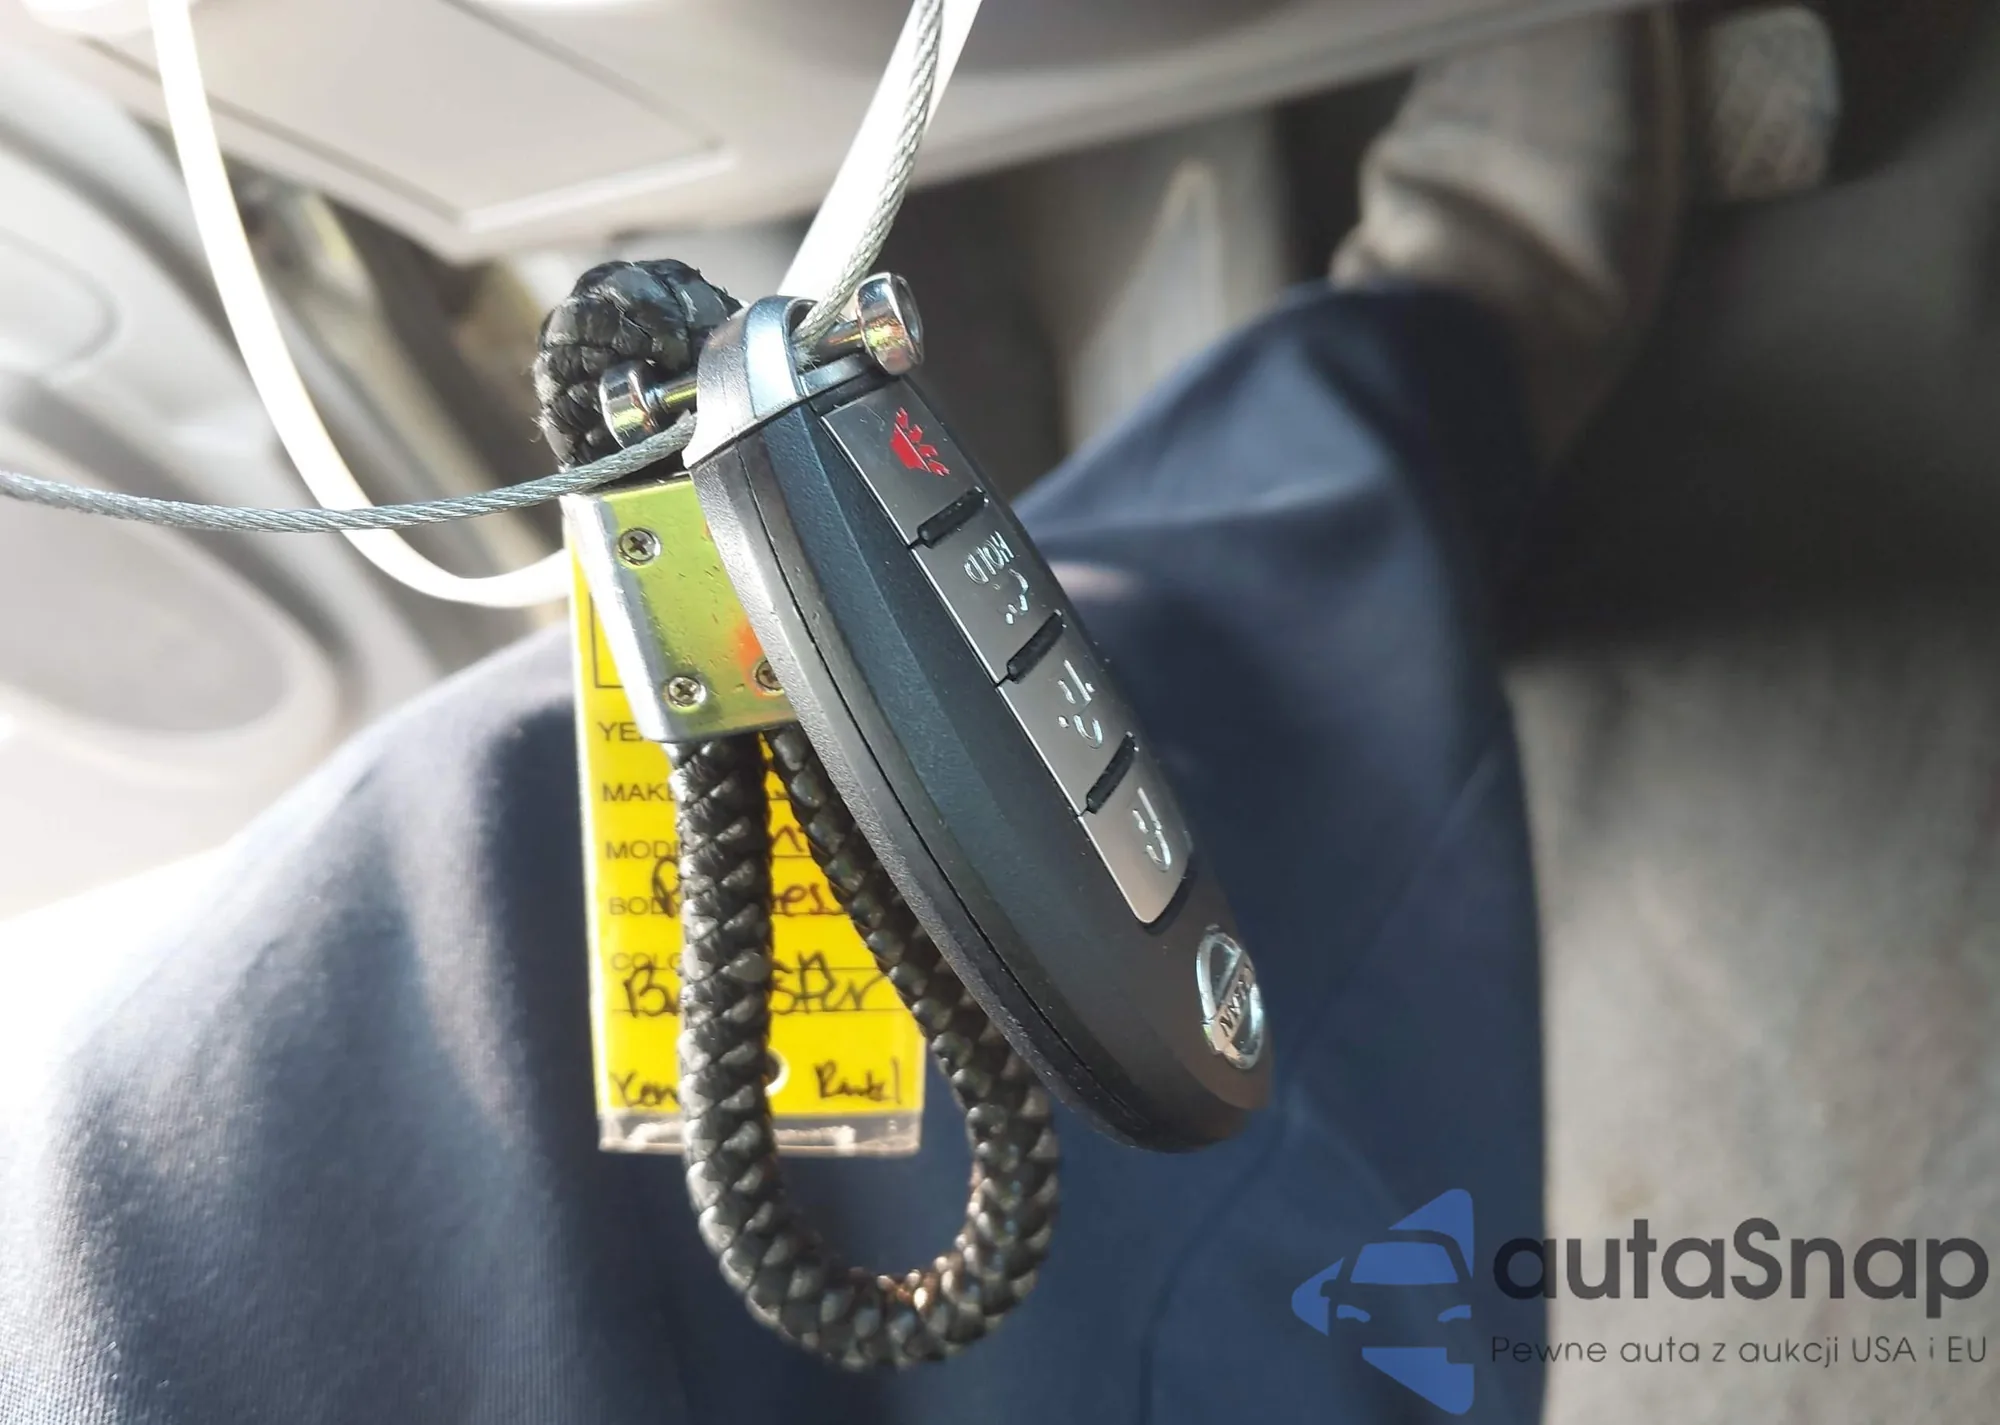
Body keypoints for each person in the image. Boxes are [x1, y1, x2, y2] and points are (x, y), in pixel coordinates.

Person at [0, 10, 1682, 1421]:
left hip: (169, 1243)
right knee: (1226, 1055)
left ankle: (1395, 420)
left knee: (486, 824)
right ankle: (1446, 365)